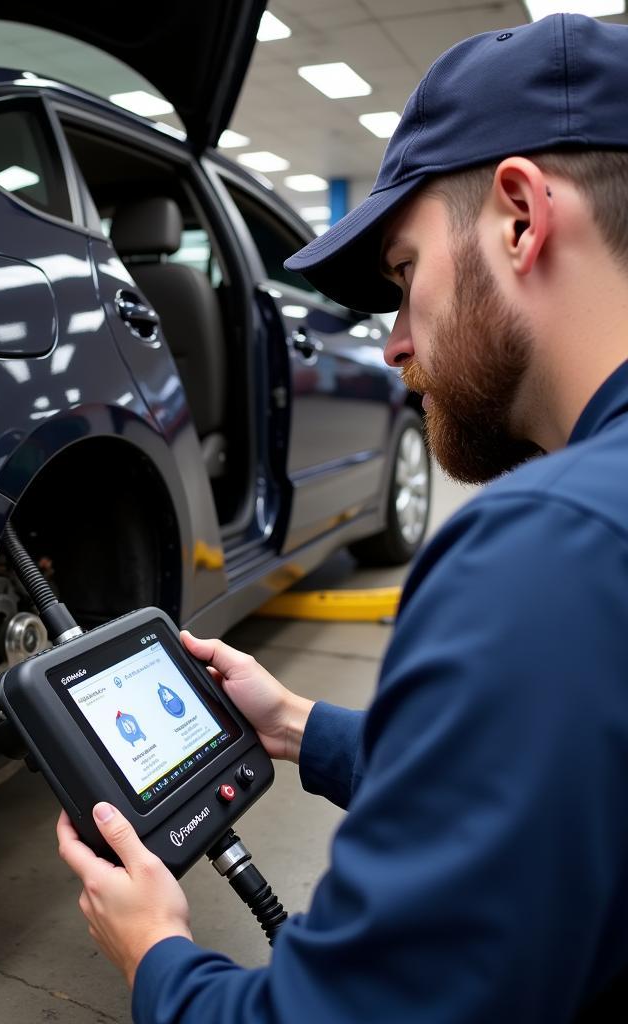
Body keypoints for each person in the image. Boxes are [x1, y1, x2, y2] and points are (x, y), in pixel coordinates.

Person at [56, 13, 628, 1022]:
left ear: (519, 217)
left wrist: (158, 956)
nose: (394, 344)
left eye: (404, 277)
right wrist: (299, 726)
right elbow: (555, 777)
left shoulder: (549, 550)